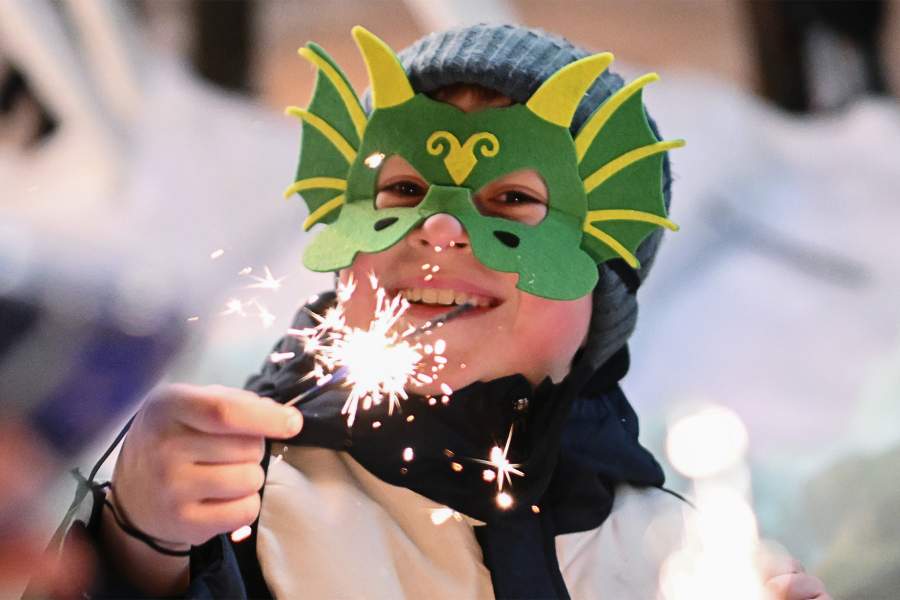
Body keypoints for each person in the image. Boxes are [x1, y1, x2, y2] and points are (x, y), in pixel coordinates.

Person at [69, 24, 830, 599]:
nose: (438, 227)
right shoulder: (238, 495)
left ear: (602, 285)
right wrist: (135, 547)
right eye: (403, 191)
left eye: (513, 199)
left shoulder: (678, 551)